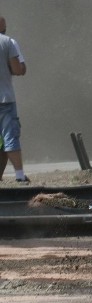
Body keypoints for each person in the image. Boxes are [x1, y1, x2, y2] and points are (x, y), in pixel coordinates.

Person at [0, 16, 28, 183]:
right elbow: (18, 69)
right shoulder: (7, 42)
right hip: (4, 99)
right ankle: (19, 176)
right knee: (10, 136)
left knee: (0, 143)